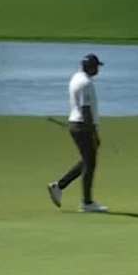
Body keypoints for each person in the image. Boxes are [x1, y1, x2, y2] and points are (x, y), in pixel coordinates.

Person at [47, 54, 108, 213]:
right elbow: (86, 109)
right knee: (90, 162)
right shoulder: (85, 83)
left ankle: (59, 186)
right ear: (90, 67)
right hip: (83, 125)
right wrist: (94, 133)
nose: (98, 70)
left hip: (77, 124)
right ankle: (86, 202)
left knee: (87, 161)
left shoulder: (76, 78)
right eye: (96, 67)